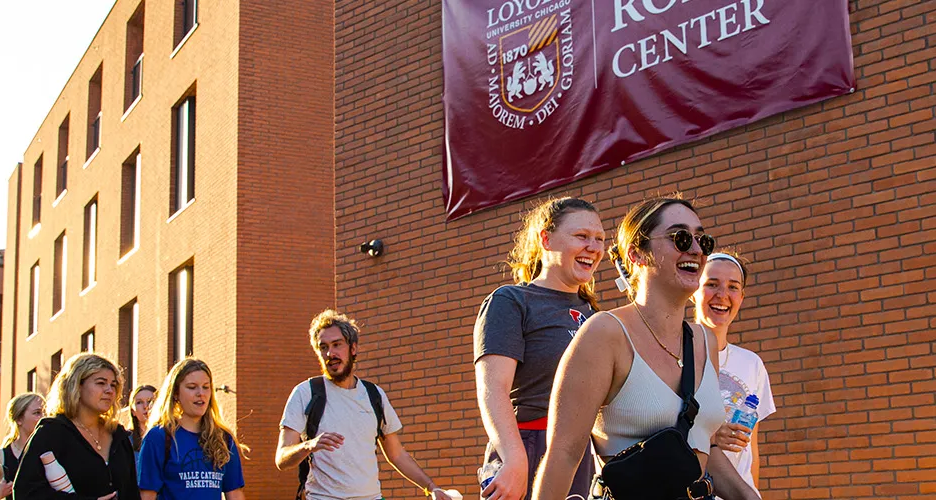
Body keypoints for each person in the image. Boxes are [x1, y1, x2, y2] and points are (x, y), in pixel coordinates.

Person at [533, 196, 759, 500]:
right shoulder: (605, 333)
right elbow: (563, 455)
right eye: (680, 238)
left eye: (702, 240)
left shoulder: (704, 340)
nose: (695, 249)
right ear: (637, 254)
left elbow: (702, 445)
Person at [473, 197, 604, 500]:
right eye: (581, 236)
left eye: (599, 239)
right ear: (546, 239)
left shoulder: (597, 316)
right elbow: (493, 387)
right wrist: (515, 460)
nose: (594, 247)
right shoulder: (511, 301)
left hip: (583, 456)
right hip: (529, 445)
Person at [275, 310, 452, 500]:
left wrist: (431, 487)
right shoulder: (306, 393)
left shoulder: (374, 395)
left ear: (353, 348)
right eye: (323, 347)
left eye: (337, 345)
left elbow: (397, 455)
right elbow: (282, 459)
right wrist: (310, 445)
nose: (330, 353)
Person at [695, 251, 776, 498]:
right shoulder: (673, 355)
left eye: (733, 287)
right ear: (693, 291)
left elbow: (751, 450)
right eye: (711, 284)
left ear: (741, 297)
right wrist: (710, 437)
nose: (722, 295)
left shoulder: (752, 364)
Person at [13, 353, 139, 500]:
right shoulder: (51, 433)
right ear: (77, 385)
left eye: (113, 384)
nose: (109, 390)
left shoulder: (118, 435)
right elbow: (25, 493)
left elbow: (131, 492)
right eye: (100, 383)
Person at [137, 358, 245, 500]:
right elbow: (147, 495)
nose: (201, 393)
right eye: (192, 387)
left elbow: (234, 493)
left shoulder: (223, 438)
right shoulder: (158, 437)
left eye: (206, 387)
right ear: (175, 393)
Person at [125, 386, 157, 452]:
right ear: (133, 411)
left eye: (150, 401)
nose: (145, 406)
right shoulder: (126, 439)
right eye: (139, 402)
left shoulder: (171, 435)